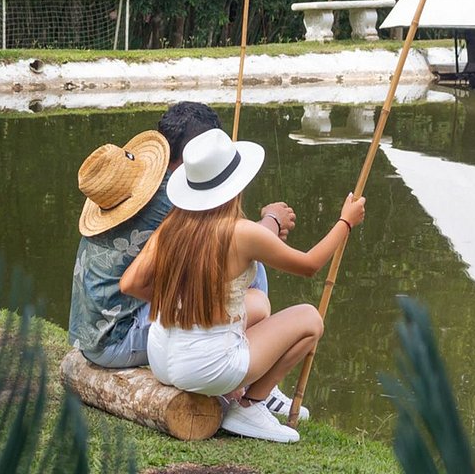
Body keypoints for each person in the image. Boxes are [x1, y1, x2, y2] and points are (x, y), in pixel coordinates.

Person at [120, 127, 366, 443]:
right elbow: (309, 265)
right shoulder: (241, 232)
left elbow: (130, 283)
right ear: (236, 185)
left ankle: (234, 386)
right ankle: (251, 405)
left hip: (161, 358)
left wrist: (176, 301)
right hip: (205, 368)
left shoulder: (173, 225)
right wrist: (345, 222)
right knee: (310, 320)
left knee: (259, 304)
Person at [68, 102, 296, 397]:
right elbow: (240, 241)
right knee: (254, 270)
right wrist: (273, 220)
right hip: (116, 340)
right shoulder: (171, 198)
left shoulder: (130, 187)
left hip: (90, 335)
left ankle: (247, 373)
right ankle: (251, 385)